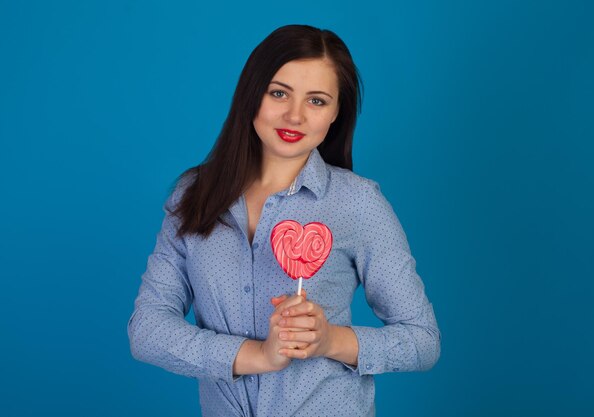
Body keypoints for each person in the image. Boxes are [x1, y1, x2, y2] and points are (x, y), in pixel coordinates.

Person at [128, 24, 441, 417]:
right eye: (279, 93)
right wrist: (259, 355)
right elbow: (147, 330)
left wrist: (329, 341)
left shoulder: (359, 203)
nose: (294, 116)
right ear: (251, 94)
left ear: (335, 113)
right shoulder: (193, 195)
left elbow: (422, 340)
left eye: (317, 101)